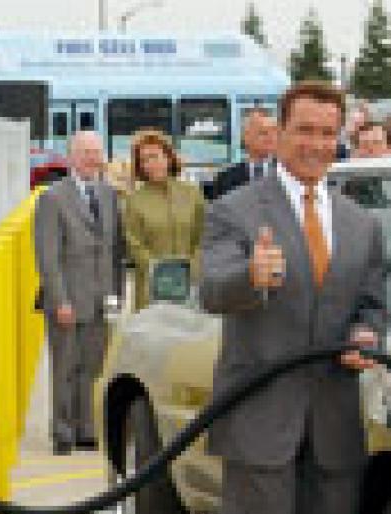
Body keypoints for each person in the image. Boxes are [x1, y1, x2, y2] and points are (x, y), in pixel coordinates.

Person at [181, 81, 386, 514]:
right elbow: (212, 289)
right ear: (280, 132)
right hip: (261, 413)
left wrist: (366, 335)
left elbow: (372, 303)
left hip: (331, 414)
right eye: (306, 131)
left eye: (329, 133)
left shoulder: (360, 223)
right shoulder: (238, 210)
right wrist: (252, 277)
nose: (317, 145)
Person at [33, 130, 122, 455]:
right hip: (68, 299)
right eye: (85, 152)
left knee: (94, 368)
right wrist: (60, 300)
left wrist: (115, 295)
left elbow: (114, 250)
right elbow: (48, 255)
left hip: (100, 299)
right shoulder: (53, 198)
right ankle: (63, 432)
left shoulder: (109, 195)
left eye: (96, 152)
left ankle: (88, 429)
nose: (92, 158)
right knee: (65, 369)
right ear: (71, 157)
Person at [122, 130, 206, 310]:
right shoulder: (134, 200)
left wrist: (192, 268)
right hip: (151, 291)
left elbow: (203, 236)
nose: (150, 164)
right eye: (144, 160)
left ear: (168, 157)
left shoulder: (192, 194)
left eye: (154, 156)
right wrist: (163, 274)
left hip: (190, 286)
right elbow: (134, 245)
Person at [207, 108, 279, 200]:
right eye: (263, 133)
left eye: (274, 133)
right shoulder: (225, 180)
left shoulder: (288, 174)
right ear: (246, 137)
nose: (271, 138)